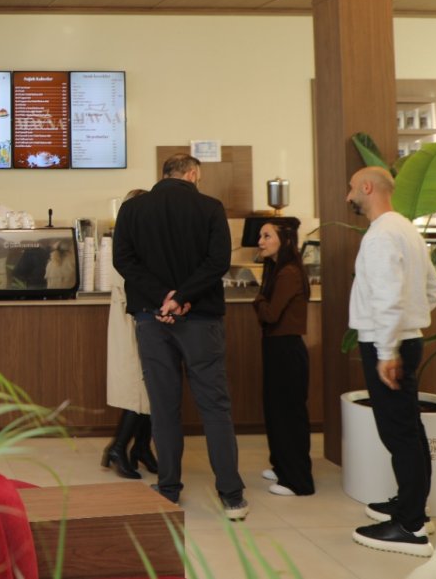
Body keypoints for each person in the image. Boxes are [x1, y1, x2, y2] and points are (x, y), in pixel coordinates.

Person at [112, 154, 247, 520]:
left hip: (151, 318)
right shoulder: (210, 207)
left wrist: (162, 298)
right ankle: (232, 496)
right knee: (215, 407)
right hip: (200, 319)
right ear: (192, 174)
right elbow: (217, 262)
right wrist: (182, 297)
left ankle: (169, 489)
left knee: (164, 407)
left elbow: (123, 260)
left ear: (165, 174)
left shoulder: (133, 209)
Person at [347, 166, 436, 557]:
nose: (349, 196)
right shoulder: (405, 228)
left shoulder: (381, 234)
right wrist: (411, 322)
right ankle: (413, 507)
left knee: (399, 434)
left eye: (352, 188)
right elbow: (432, 289)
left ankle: (410, 527)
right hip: (406, 338)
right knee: (410, 429)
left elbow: (387, 296)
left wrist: (387, 351)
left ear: (368, 187)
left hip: (387, 345)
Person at [252, 218, 314, 497]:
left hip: (286, 349)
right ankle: (282, 467)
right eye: (261, 236)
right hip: (276, 347)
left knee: (288, 414)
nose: (260, 242)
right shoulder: (277, 270)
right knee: (276, 410)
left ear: (285, 240)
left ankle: (297, 480)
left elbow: (270, 314)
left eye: (267, 236)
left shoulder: (288, 273)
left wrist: (258, 300)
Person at [102, 188, 156, 480]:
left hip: (138, 318)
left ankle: (142, 447)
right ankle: (118, 447)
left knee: (150, 387)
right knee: (140, 387)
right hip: (133, 321)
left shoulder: (134, 240)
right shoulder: (129, 244)